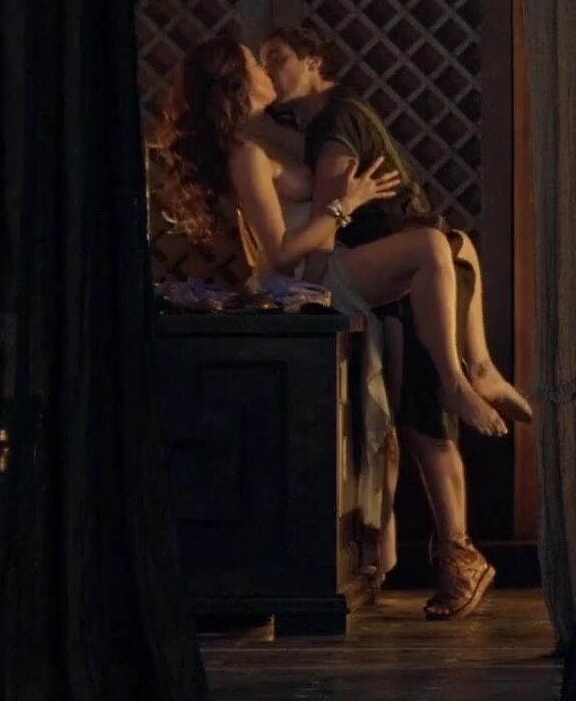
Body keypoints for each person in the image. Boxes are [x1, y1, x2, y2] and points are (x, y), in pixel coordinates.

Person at [150, 38, 499, 619]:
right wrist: (345, 205)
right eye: (255, 62)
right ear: (237, 81)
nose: (265, 69)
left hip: (328, 265)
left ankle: (474, 373)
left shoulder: (267, 136)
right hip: (308, 277)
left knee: (451, 247)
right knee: (430, 246)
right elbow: (281, 252)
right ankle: (458, 381)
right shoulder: (245, 152)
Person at [260, 25, 531, 620]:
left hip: (404, 268)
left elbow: (327, 221)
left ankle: (459, 554)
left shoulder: (335, 121)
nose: (269, 69)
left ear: (314, 60)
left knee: (429, 416)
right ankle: (478, 373)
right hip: (418, 263)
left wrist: (309, 287)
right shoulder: (320, 125)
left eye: (277, 58)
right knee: (423, 416)